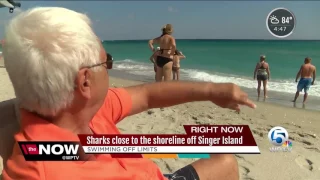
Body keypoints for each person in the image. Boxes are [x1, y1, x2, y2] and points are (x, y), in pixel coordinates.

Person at [1, 7, 256, 180]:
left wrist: (212, 90)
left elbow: (147, 95)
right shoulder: (38, 168)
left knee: (225, 160)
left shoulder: (87, 109)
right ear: (85, 81)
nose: (108, 68)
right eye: (106, 61)